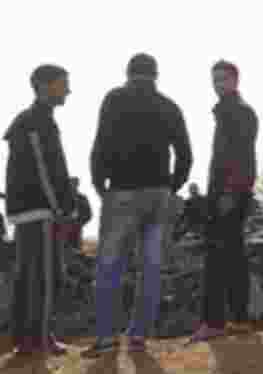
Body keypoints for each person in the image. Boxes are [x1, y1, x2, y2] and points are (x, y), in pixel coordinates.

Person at [85, 53, 192, 357]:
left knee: (109, 267)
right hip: (158, 194)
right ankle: (138, 335)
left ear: (128, 72)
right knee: (151, 267)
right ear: (155, 75)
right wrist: (173, 187)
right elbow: (185, 152)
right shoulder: (169, 106)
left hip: (121, 191)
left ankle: (106, 339)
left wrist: (98, 182)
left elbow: (100, 141)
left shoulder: (114, 99)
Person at [3, 63, 75, 356]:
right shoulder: (36, 121)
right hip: (39, 210)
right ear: (44, 86)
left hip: (29, 211)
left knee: (28, 275)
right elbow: (45, 170)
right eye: (63, 84)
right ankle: (40, 339)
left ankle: (25, 339)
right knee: (43, 277)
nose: (68, 90)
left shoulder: (32, 119)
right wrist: (60, 208)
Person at [189, 59, 259, 344]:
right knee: (232, 256)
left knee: (218, 257)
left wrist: (230, 193)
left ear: (235, 80)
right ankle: (239, 320)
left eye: (223, 79)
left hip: (230, 194)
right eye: (214, 79)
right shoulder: (228, 112)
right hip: (227, 193)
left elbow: (242, 156)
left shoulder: (239, 112)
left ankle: (214, 322)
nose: (218, 84)